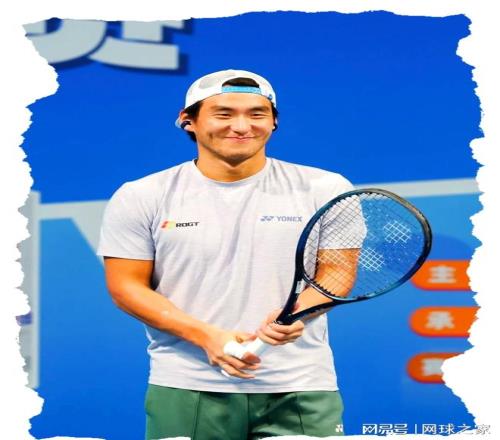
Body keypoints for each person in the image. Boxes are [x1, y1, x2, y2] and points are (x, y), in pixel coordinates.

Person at [97, 69, 355, 439]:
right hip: (187, 385)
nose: (242, 126)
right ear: (188, 121)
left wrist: (299, 311)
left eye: (257, 114)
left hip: (301, 385)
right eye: (224, 114)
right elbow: (126, 287)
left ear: (274, 122)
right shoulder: (142, 195)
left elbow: (337, 273)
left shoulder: (326, 188)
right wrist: (207, 337)